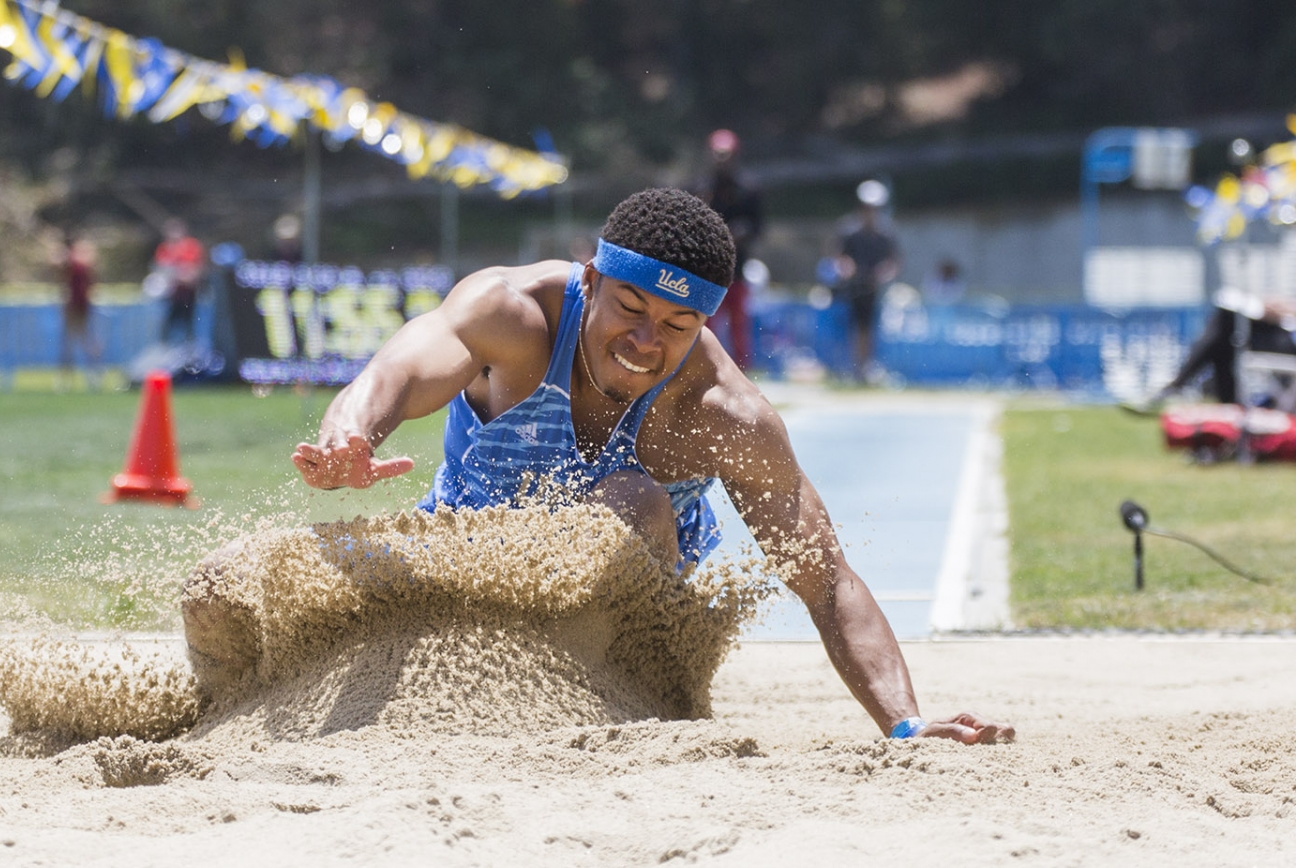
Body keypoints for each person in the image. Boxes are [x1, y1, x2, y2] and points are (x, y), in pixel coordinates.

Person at [275, 188, 1012, 745]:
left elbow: (826, 579)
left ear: (705, 324)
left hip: (617, 638)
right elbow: (399, 369)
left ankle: (606, 703)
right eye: (631, 308)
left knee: (635, 498)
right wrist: (351, 434)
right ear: (591, 279)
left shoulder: (725, 415)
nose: (645, 343)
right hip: (465, 561)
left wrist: (905, 724)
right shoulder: (512, 315)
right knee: (267, 580)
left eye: (677, 326)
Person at [1130, 291, 1296, 411]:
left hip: (1288, 340)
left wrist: (1285, 310)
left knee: (1224, 326)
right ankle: (1228, 408)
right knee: (1225, 325)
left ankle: (1178, 384)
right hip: (1284, 330)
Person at [698, 129, 763, 371]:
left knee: (738, 326)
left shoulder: (749, 189)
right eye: (717, 154)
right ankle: (703, 370)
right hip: (705, 272)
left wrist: (740, 233)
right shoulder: (700, 187)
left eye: (725, 154)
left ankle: (741, 373)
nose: (721, 159)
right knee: (704, 326)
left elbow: (758, 228)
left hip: (736, 270)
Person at [835, 200, 900, 383]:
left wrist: (884, 274)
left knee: (870, 329)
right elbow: (841, 258)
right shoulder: (851, 235)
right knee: (853, 328)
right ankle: (855, 367)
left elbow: (892, 263)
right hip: (852, 289)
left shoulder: (884, 236)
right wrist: (847, 269)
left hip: (875, 290)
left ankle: (867, 367)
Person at [54, 233, 102, 391]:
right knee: (69, 343)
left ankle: (92, 376)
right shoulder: (72, 265)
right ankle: (66, 378)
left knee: (86, 342)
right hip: (72, 307)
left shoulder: (83, 266)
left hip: (82, 307)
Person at [152, 217, 206, 343]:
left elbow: (195, 271)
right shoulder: (164, 248)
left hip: (188, 293)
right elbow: (161, 268)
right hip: (170, 294)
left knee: (190, 324)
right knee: (167, 325)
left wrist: (181, 275)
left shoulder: (191, 246)